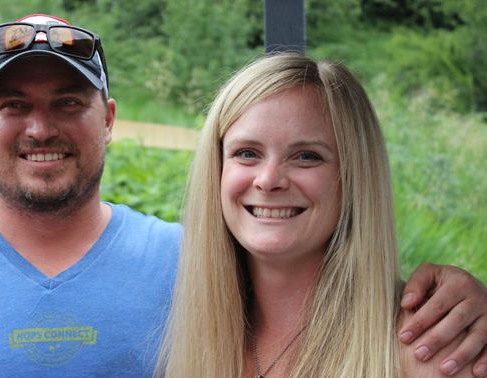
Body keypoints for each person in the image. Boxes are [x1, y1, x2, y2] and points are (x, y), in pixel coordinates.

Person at [0, 14, 485, 377]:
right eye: (14, 104)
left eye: (69, 103)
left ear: (108, 119)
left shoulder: (189, 265)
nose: (41, 127)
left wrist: (462, 301)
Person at [156, 53, 487, 377]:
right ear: (217, 170)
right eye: (247, 153)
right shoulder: (179, 321)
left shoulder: (431, 344)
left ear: (355, 177)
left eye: (306, 156)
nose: (269, 180)